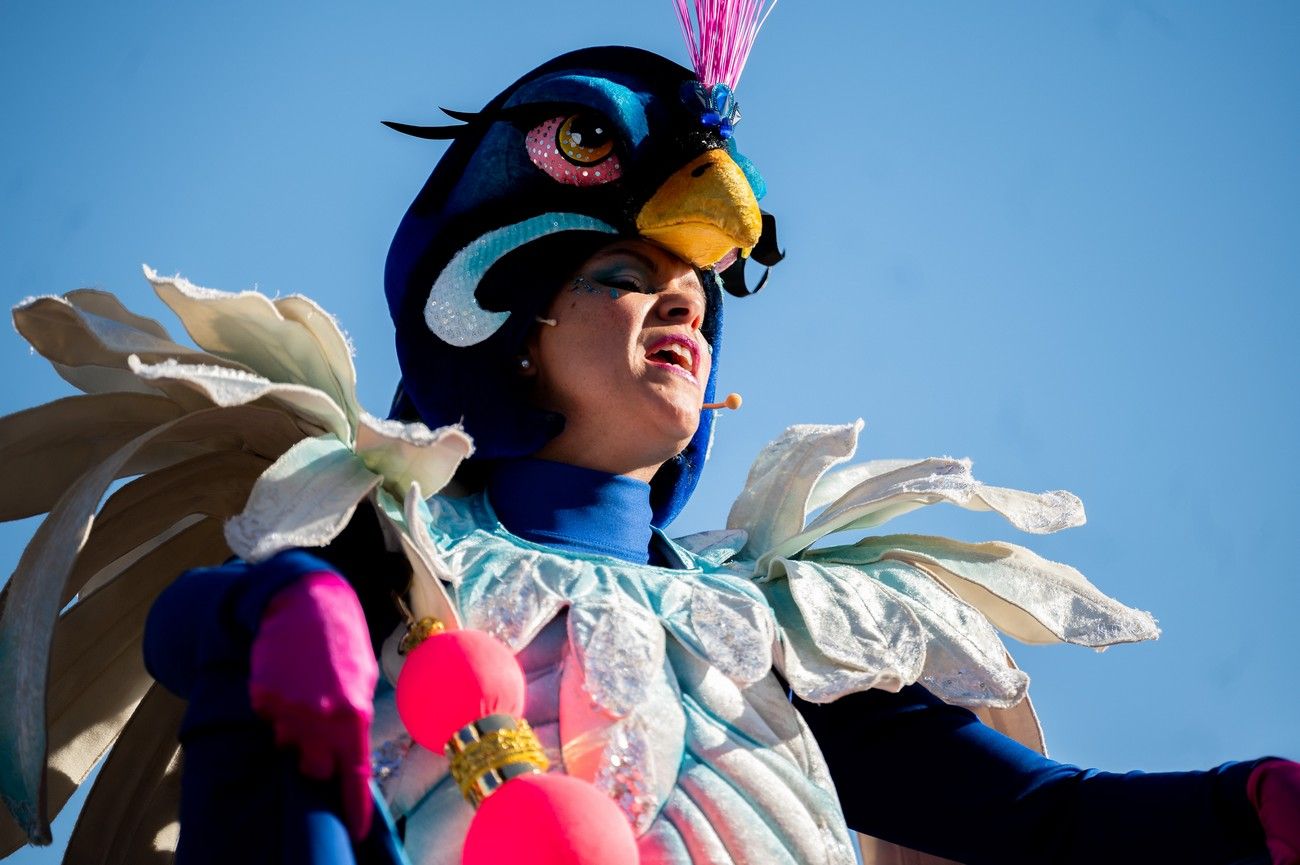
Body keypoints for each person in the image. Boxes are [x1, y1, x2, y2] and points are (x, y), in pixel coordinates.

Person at [1, 9, 1296, 865]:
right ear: (509, 316)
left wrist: (1251, 808)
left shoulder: (774, 631)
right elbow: (194, 633)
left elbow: (1034, 817)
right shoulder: (384, 537)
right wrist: (279, 608)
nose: (683, 298)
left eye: (697, 285)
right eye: (625, 272)